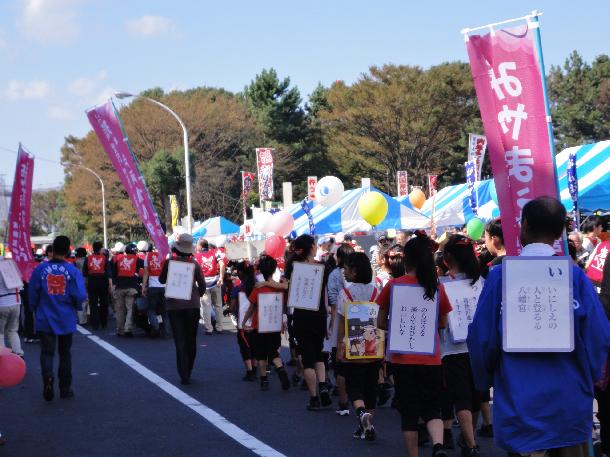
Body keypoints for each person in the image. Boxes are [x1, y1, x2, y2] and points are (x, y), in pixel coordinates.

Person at [468, 197, 610, 456]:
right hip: (569, 403)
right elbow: (598, 337)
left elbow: (481, 339)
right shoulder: (576, 276)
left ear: (524, 226)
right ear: (559, 232)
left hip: (517, 402)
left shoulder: (500, 277)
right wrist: (591, 379)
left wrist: (484, 379)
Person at [377, 233, 452, 457]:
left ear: (406, 259)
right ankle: (438, 445)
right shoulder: (437, 288)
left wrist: (397, 327)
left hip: (403, 359)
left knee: (409, 411)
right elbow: (443, 323)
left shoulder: (394, 285)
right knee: (432, 408)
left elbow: (380, 321)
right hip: (431, 359)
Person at [29, 235, 87, 401]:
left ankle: (48, 377)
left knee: (47, 352)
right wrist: (75, 305)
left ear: (52, 250)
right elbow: (80, 294)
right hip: (65, 317)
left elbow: (33, 293)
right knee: (65, 353)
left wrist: (34, 308)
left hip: (45, 316)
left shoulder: (40, 269)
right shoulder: (72, 270)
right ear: (68, 250)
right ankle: (65, 387)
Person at [439, 235, 482, 456]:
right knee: (474, 396)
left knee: (461, 397)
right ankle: (470, 438)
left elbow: (441, 320)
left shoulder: (442, 285)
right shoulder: (480, 282)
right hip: (477, 348)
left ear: (447, 257)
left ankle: (471, 443)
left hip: (451, 349)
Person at [336, 252, 382, 441]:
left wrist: (339, 345)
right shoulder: (376, 291)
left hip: (353, 346)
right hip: (373, 345)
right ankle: (367, 424)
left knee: (354, 385)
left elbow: (341, 323)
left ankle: (361, 413)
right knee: (371, 385)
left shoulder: (344, 294)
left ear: (354, 271)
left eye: (346, 268)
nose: (343, 272)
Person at [282, 235, 331, 410]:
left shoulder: (293, 267)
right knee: (318, 354)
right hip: (319, 316)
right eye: (315, 245)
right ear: (311, 247)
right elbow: (325, 294)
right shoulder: (323, 267)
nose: (317, 247)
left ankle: (314, 398)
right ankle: (323, 385)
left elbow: (285, 288)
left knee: (307, 359)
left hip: (301, 316)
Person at [159, 233, 206, 385]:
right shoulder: (194, 264)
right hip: (192, 304)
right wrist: (197, 295)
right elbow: (203, 285)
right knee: (191, 339)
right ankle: (189, 369)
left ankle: (183, 372)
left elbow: (161, 279)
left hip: (174, 305)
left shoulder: (170, 262)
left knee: (180, 339)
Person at [242, 255, 290, 391]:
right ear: (274, 269)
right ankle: (281, 370)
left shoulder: (258, 288)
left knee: (261, 355)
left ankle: (264, 380)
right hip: (275, 325)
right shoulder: (280, 287)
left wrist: (245, 322)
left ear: (261, 271)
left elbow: (251, 308)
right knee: (274, 352)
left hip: (259, 326)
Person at [327, 243, 356, 415]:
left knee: (341, 363)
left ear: (338, 258)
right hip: (362, 323)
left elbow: (332, 302)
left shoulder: (334, 275)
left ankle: (344, 402)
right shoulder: (361, 275)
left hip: (341, 319)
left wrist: (332, 325)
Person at [229, 261, 257, 382]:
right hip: (257, 322)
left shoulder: (238, 289)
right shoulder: (258, 286)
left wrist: (228, 310)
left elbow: (232, 306)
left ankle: (250, 371)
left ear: (240, 272)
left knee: (244, 347)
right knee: (255, 346)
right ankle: (256, 369)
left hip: (243, 323)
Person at [111, 243, 143, 337]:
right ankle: (128, 328)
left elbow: (114, 274)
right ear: (135, 251)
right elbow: (146, 265)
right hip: (131, 287)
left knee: (120, 309)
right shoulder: (137, 259)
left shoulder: (119, 259)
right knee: (130, 309)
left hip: (119, 287)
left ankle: (120, 330)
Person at [194, 239, 226, 335]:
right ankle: (220, 327)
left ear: (200, 246)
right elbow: (222, 263)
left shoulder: (196, 256)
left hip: (203, 284)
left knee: (205, 306)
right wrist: (221, 277)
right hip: (216, 282)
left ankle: (209, 329)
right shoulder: (215, 253)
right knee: (218, 305)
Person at [83, 241, 112, 330]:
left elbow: (85, 273)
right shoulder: (104, 258)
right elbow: (108, 273)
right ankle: (104, 322)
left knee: (93, 303)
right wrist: (110, 285)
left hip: (92, 282)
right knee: (104, 303)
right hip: (103, 282)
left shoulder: (88, 258)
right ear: (100, 249)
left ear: (93, 248)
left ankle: (95, 323)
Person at [0, 258, 24, 357]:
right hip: (16, 302)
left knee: (0, 333)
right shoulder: (11, 263)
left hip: (2, 303)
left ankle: (2, 357)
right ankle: (19, 354)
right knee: (12, 330)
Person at [142, 244, 165, 338]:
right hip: (165, 286)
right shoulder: (166, 254)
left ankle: (155, 327)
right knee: (165, 310)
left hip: (153, 287)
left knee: (151, 309)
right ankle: (167, 330)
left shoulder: (148, 256)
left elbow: (146, 272)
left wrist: (143, 286)